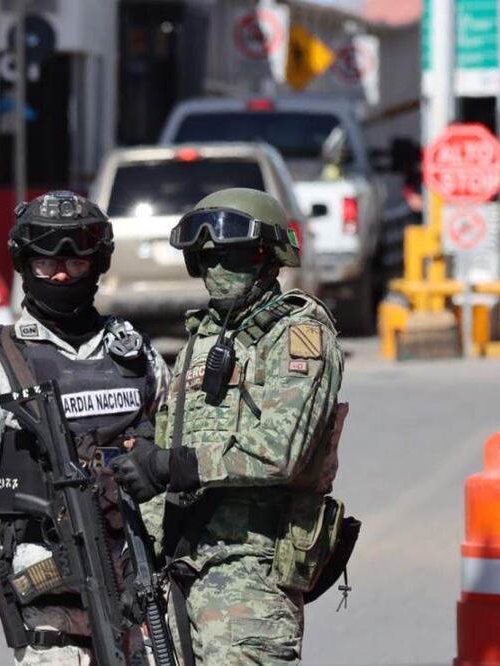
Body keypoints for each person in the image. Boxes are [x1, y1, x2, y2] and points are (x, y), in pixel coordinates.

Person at [0, 191, 169, 663]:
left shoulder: (134, 354)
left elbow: (178, 444)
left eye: (76, 263)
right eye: (46, 263)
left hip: (139, 581)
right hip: (50, 598)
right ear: (24, 266)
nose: (61, 275)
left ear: (97, 264)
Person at [112, 188, 345, 664]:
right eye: (205, 258)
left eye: (232, 256)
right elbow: (168, 447)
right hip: (180, 572)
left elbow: (280, 452)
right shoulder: (202, 338)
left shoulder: (298, 335)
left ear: (267, 258)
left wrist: (171, 465)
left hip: (251, 577)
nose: (216, 269)